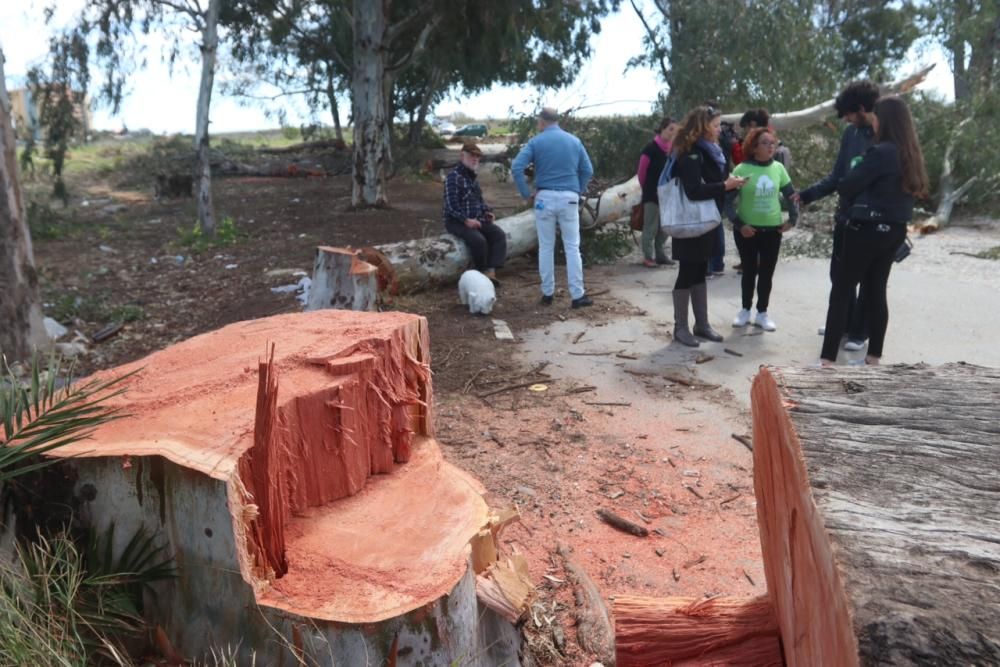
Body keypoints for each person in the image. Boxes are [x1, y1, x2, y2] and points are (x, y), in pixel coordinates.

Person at [819, 95, 927, 366]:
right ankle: (874, 358)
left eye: (876, 118)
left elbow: (848, 185)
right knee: (876, 290)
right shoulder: (910, 154)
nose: (874, 123)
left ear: (884, 120)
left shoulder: (881, 152)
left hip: (865, 229)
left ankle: (827, 361)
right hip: (895, 231)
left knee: (842, 290)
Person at [796, 80, 879, 351]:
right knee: (840, 275)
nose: (845, 119)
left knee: (867, 278)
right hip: (845, 215)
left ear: (863, 109)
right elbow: (838, 175)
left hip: (872, 219)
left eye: (848, 114)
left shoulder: (884, 134)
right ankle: (841, 323)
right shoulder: (850, 134)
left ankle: (860, 332)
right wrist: (808, 194)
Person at [669, 105, 747, 347]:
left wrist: (729, 184)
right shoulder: (691, 153)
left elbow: (714, 182)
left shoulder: (713, 151)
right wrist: (726, 186)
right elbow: (693, 190)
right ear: (702, 127)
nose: (719, 130)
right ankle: (680, 327)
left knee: (700, 270)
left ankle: (701, 324)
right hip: (690, 222)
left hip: (708, 221)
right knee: (687, 272)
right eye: (715, 125)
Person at [512, 107, 595, 308]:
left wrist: (526, 193)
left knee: (546, 246)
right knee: (572, 247)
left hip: (544, 197)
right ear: (557, 120)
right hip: (569, 197)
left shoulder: (536, 142)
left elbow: (516, 166)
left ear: (542, 121)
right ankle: (577, 295)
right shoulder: (574, 141)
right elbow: (587, 170)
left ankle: (547, 293)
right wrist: (578, 190)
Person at [725, 128, 799, 331]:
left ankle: (762, 313)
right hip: (748, 230)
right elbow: (727, 203)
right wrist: (740, 225)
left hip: (773, 230)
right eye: (765, 143)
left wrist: (792, 219)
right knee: (749, 271)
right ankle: (745, 310)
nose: (770, 147)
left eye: (772, 143)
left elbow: (791, 196)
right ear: (754, 147)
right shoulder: (741, 169)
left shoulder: (778, 168)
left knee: (767, 273)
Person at [442, 142, 507, 283]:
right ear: (462, 156)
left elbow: (479, 202)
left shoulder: (472, 179)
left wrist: (487, 212)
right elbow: (451, 207)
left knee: (498, 235)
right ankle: (481, 274)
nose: (475, 159)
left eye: (477, 157)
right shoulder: (453, 178)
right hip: (456, 222)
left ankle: (491, 271)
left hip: (475, 219)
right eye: (471, 156)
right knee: (479, 241)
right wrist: (466, 220)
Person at [636, 117, 679, 267]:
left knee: (665, 227)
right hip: (652, 195)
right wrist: (647, 189)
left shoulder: (675, 150)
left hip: (668, 195)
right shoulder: (650, 149)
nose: (673, 133)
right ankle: (648, 257)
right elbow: (641, 173)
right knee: (650, 227)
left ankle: (660, 255)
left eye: (675, 130)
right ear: (662, 129)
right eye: (670, 129)